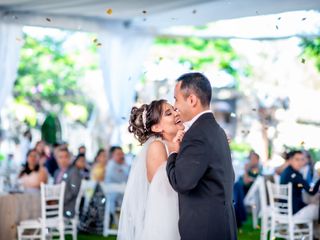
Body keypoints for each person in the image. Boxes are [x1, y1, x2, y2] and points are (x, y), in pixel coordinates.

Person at [166, 72, 237, 240]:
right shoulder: (217, 131)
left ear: (192, 100)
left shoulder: (197, 134)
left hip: (204, 229)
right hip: (221, 224)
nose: (175, 106)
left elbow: (182, 182)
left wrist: (173, 153)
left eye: (176, 99)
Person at [118, 99, 184, 240]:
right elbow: (161, 189)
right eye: (168, 113)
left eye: (174, 109)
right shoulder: (157, 146)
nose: (176, 113)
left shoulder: (183, 141)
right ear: (156, 128)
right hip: (167, 216)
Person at [280, 150, 320, 219]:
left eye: (302, 159)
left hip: (283, 208)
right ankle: (315, 230)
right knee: (317, 207)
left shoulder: (286, 172)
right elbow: (311, 191)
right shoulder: (295, 176)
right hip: (294, 212)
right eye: (297, 159)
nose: (300, 162)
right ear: (291, 160)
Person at [105, 146, 129, 226]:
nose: (121, 156)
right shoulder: (111, 165)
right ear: (113, 155)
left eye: (122, 154)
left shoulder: (123, 165)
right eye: (118, 154)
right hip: (114, 196)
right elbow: (123, 179)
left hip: (120, 194)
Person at [63, 153, 86, 218]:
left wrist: (61, 201)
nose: (83, 163)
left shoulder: (74, 172)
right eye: (81, 161)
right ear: (76, 161)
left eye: (84, 161)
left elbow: (74, 191)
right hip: (67, 205)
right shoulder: (75, 172)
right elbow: (74, 191)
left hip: (68, 206)